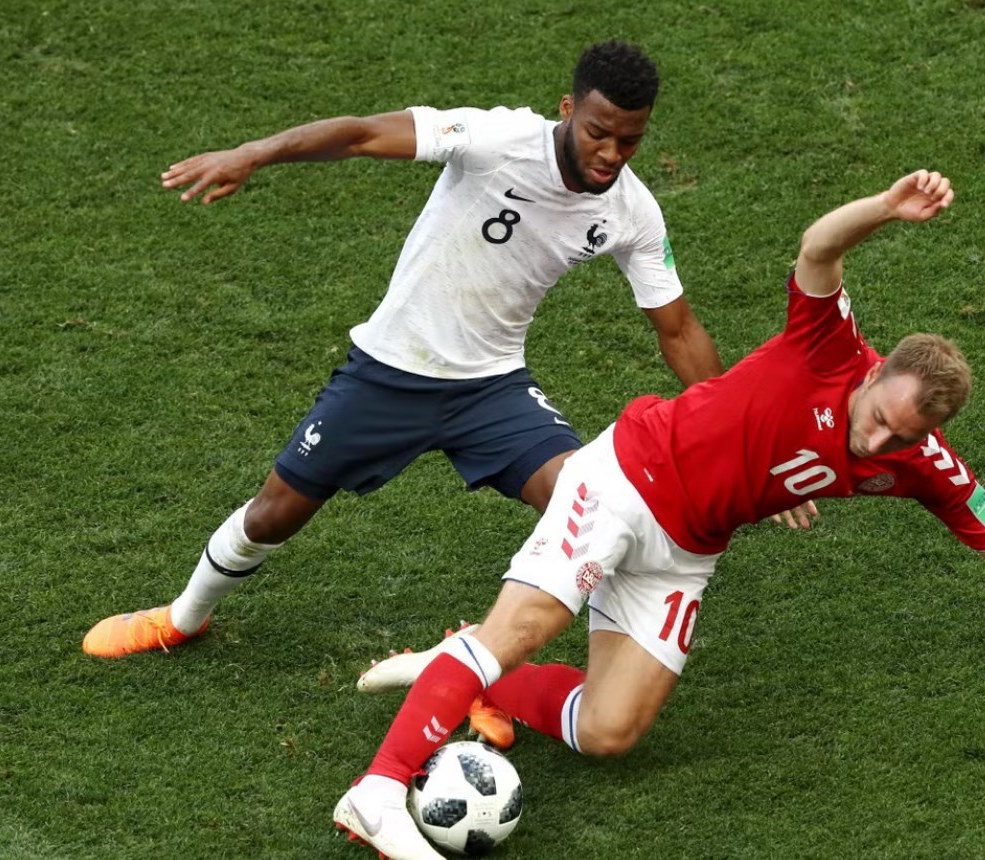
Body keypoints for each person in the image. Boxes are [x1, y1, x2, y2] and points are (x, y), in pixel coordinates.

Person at [330, 170, 985, 860]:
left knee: (610, 730)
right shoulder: (829, 345)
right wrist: (885, 209)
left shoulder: (921, 462)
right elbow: (818, 248)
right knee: (525, 627)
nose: (878, 440)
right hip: (630, 476)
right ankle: (377, 792)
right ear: (874, 372)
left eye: (902, 437)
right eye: (880, 417)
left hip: (686, 548)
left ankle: (459, 666)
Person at [81, 41, 724, 660]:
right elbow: (361, 135)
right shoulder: (496, 139)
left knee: (588, 511)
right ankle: (183, 617)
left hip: (492, 388)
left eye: (630, 140)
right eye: (598, 133)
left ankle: (492, 664)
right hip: (388, 374)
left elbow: (677, 330)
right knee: (271, 517)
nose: (611, 154)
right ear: (567, 108)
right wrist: (253, 154)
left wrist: (732, 433)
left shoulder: (631, 211)